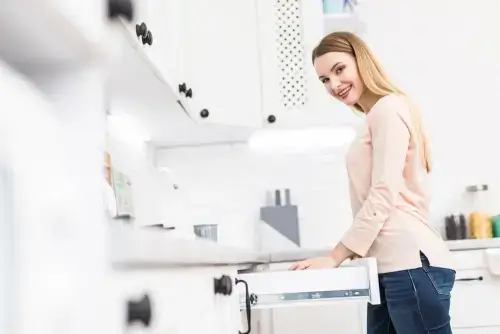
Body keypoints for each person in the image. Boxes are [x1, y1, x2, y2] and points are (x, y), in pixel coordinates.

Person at [289, 32, 456, 334]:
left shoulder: (388, 109)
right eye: (325, 79)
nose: (334, 85)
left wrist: (334, 257)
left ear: (360, 60)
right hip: (387, 266)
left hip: (408, 264)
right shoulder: (376, 115)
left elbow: (382, 194)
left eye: (339, 70)